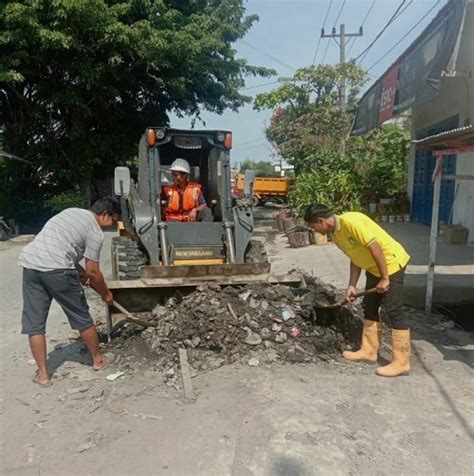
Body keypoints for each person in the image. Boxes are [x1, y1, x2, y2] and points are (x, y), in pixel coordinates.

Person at [18, 197, 121, 386]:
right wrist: (105, 294)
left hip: (31, 265)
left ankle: (43, 376)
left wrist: (78, 271)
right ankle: (98, 360)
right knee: (81, 316)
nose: (112, 224)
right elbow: (93, 271)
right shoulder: (95, 231)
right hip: (57, 270)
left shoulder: (71, 212)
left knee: (34, 323)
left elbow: (60, 245)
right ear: (104, 214)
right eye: (113, 219)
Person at [305, 204, 411, 377]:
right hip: (374, 268)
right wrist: (352, 285)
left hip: (391, 264)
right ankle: (369, 351)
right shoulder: (336, 235)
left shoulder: (351, 222)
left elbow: (375, 247)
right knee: (369, 306)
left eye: (313, 226)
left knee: (393, 310)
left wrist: (385, 278)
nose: (314, 230)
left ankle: (402, 362)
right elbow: (356, 257)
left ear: (321, 221)